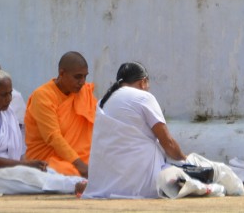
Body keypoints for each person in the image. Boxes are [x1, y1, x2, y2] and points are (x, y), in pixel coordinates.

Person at [0, 68, 86, 194]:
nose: (9, 99)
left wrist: (28, 165)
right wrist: (26, 164)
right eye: (3, 95)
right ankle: (73, 186)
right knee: (27, 176)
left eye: (10, 93)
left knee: (42, 172)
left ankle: (77, 183)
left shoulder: (3, 112)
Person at [80, 62, 187, 199]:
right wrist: (185, 159)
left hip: (105, 185)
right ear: (143, 82)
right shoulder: (144, 97)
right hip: (141, 185)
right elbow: (168, 143)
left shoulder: (103, 101)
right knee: (189, 179)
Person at [24, 51, 97, 177]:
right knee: (68, 172)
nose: (82, 82)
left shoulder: (83, 93)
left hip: (81, 158)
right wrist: (80, 165)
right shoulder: (43, 96)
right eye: (78, 77)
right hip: (47, 160)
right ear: (62, 73)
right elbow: (53, 137)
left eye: (85, 76)